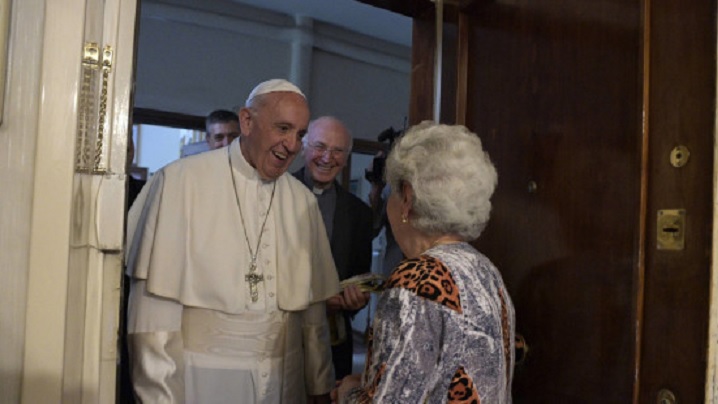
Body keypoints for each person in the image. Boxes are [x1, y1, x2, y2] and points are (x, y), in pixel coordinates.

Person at [125, 79, 340, 403]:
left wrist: (320, 386)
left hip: (286, 382)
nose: (292, 145)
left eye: (299, 134)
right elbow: (152, 320)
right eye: (282, 128)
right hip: (204, 380)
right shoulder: (180, 182)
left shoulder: (302, 201)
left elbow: (311, 317)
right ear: (247, 121)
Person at [332, 122, 515, 403]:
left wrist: (349, 392)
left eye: (391, 192)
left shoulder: (416, 280)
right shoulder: (486, 269)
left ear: (407, 197)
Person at [292, 116, 373, 380]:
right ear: (303, 147)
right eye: (320, 146)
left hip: (333, 342)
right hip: (279, 339)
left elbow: (361, 277)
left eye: (338, 151)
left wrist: (355, 300)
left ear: (346, 158)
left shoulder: (359, 213)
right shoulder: (273, 193)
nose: (328, 158)